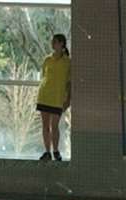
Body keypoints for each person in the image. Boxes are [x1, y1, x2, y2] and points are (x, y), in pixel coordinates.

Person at [36, 33, 70, 162]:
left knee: (54, 125)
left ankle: (56, 151)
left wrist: (68, 99)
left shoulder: (67, 62)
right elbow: (44, 76)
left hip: (57, 98)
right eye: (52, 41)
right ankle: (47, 151)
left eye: (55, 42)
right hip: (45, 95)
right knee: (45, 126)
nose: (52, 44)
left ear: (61, 44)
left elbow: (69, 82)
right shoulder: (47, 60)